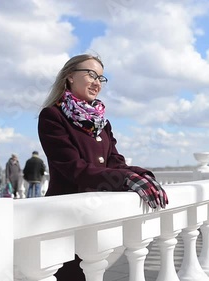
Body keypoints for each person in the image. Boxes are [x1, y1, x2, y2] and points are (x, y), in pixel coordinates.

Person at [38, 54, 169, 281]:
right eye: (90, 74)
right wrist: (126, 180)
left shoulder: (102, 122)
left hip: (97, 217)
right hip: (67, 218)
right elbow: (74, 168)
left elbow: (115, 162)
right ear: (69, 77)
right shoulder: (52, 116)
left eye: (101, 77)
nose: (97, 82)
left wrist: (141, 175)